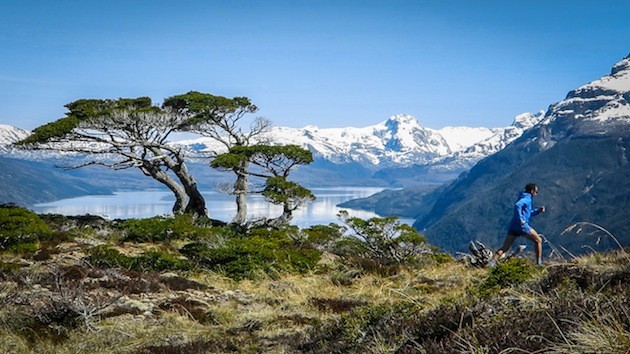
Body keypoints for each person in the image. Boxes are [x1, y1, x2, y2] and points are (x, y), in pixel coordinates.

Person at [491, 183, 546, 266]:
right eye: (536, 191)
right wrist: (521, 220)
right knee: (538, 240)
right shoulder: (527, 199)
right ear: (532, 191)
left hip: (513, 226)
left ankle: (491, 263)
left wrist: (538, 211)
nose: (536, 193)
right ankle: (539, 264)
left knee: (505, 247)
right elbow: (517, 205)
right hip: (522, 226)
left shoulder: (522, 196)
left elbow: (527, 213)